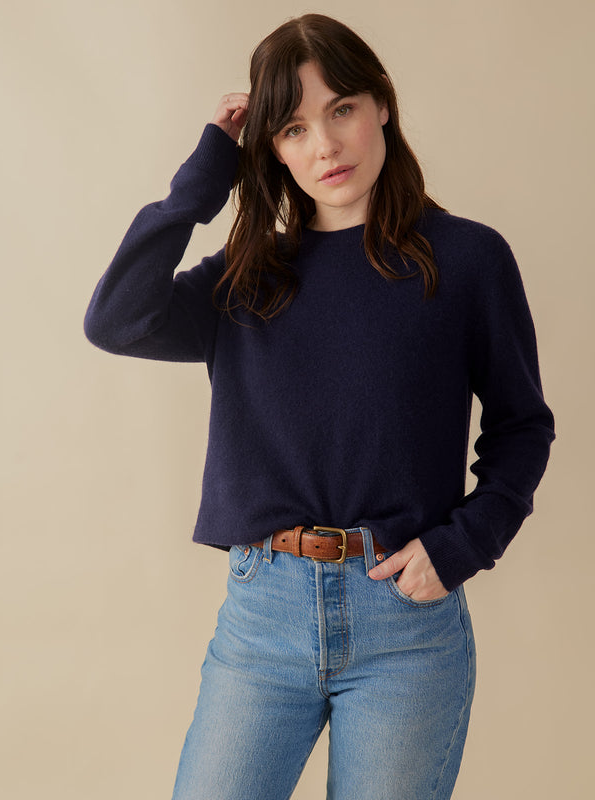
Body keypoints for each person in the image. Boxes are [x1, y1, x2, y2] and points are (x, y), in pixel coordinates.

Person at [84, 12, 555, 800]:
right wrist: (205, 172)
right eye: (293, 129)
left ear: (381, 105)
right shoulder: (247, 276)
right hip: (261, 618)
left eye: (340, 110)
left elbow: (522, 426)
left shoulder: (469, 259)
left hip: (404, 624)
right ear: (269, 149)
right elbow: (117, 319)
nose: (325, 147)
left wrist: (466, 543)